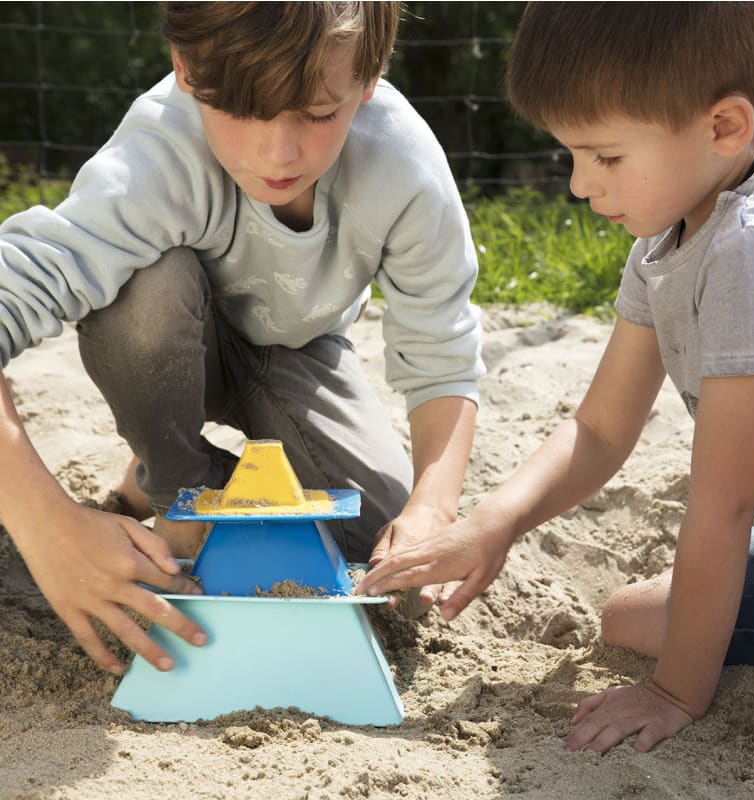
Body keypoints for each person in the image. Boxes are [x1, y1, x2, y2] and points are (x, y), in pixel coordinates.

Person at [357, 1, 754, 754]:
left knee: (638, 623)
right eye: (571, 153)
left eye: (607, 157)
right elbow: (599, 428)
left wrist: (674, 696)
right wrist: (493, 524)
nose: (577, 185)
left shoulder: (753, 252)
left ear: (724, 125)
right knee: (635, 614)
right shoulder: (678, 225)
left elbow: (722, 510)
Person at [0, 3, 483, 678]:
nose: (279, 152)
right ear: (188, 71)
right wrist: (43, 519)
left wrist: (434, 508)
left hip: (301, 354)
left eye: (318, 113)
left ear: (368, 78)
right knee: (145, 290)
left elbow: (443, 356)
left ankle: (167, 486)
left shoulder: (402, 165)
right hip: (165, 340)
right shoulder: (155, 155)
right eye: (244, 111)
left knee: (379, 548)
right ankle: (178, 489)